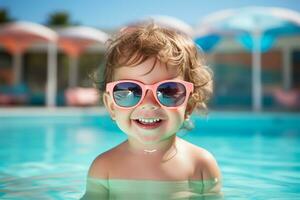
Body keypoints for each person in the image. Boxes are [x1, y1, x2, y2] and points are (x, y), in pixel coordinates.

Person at [81, 23, 222, 200]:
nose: (148, 104)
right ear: (111, 106)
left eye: (168, 91)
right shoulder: (104, 167)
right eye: (130, 90)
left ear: (189, 105)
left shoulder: (201, 164)